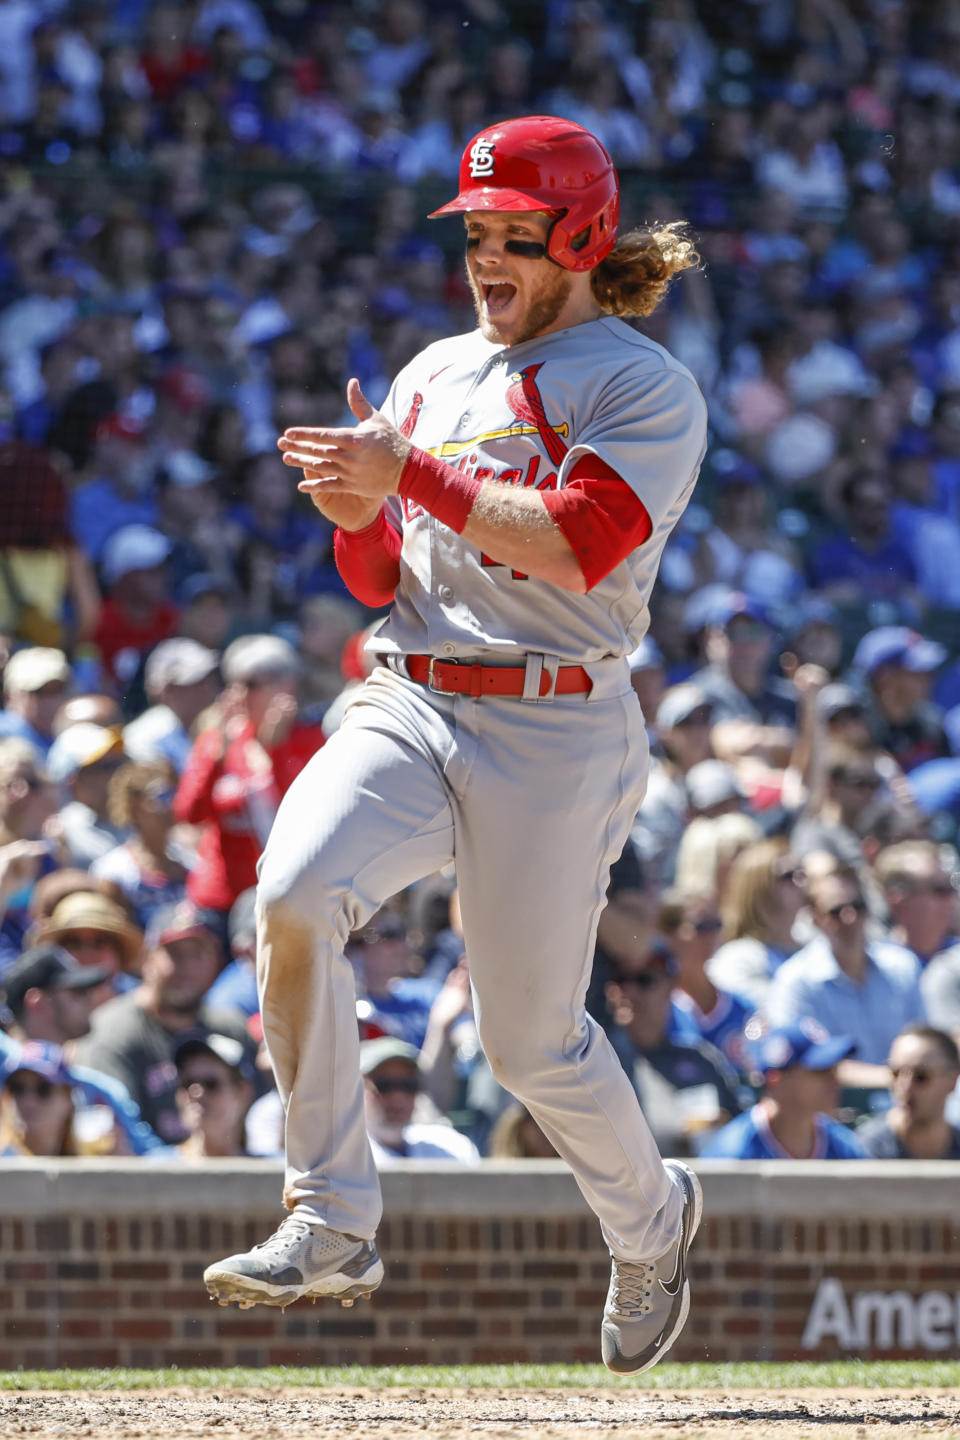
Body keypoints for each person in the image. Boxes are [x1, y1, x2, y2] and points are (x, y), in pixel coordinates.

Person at [203, 115, 707, 1377]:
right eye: (474, 232)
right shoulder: (435, 370)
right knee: (295, 889)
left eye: (512, 235)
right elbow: (384, 573)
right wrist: (360, 513)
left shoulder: (639, 380)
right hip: (414, 696)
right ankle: (329, 1219)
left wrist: (404, 475)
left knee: (529, 1040)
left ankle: (651, 1228)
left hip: (558, 719)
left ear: (582, 238)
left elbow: (577, 542)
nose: (485, 255)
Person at [72, 899, 255, 1144]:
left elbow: (257, 1122)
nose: (188, 967)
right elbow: (113, 1135)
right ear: (148, 958)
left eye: (198, 953)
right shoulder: (111, 1032)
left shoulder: (231, 1029)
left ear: (215, 960)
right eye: (175, 953)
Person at [173, 633, 324, 928]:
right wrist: (217, 756)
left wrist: (276, 751)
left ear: (287, 686)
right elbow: (189, 814)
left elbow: (305, 813)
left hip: (286, 894)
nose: (239, 695)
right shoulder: (218, 740)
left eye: (252, 685)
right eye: (233, 684)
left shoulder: (312, 741)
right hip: (221, 899)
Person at [764, 864, 927, 1088]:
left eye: (857, 907)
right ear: (815, 918)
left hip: (909, 1102)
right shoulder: (795, 981)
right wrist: (893, 1079)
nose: (850, 918)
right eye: (836, 911)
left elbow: (926, 1042)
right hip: (837, 1111)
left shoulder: (902, 965)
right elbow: (801, 1061)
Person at [0, 943, 160, 1154]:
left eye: (42, 1090)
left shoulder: (99, 1089)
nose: (90, 1000)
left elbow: (153, 1159)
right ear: (37, 1002)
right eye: (78, 992)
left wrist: (126, 1161)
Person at [604, 936, 743, 1158]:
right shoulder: (593, 1059)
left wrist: (726, 1129)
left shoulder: (700, 1058)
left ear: (671, 987)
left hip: (697, 1183)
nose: (629, 991)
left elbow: (743, 1129)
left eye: (643, 980)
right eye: (620, 980)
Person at [699, 1021, 867, 1160]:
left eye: (834, 1070)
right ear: (776, 1080)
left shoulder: (846, 1148)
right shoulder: (731, 1154)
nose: (834, 1081)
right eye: (821, 1071)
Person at [707, 839, 806, 1012]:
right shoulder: (738, 958)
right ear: (760, 890)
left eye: (801, 873)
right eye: (788, 876)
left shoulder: (811, 945)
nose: (801, 882)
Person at [359, 1036, 480, 1164]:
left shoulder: (452, 1146)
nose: (398, 1097)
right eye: (384, 1085)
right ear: (356, 1089)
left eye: (408, 1085)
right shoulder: (343, 1155)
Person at [857, 1024, 960, 1160]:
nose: (904, 1086)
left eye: (920, 1076)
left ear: (952, 1081)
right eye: (896, 1073)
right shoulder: (863, 1151)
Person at [121, 638, 221, 773]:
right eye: (193, 684)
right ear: (164, 691)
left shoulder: (219, 726)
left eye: (207, 680)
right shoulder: (144, 738)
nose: (206, 690)